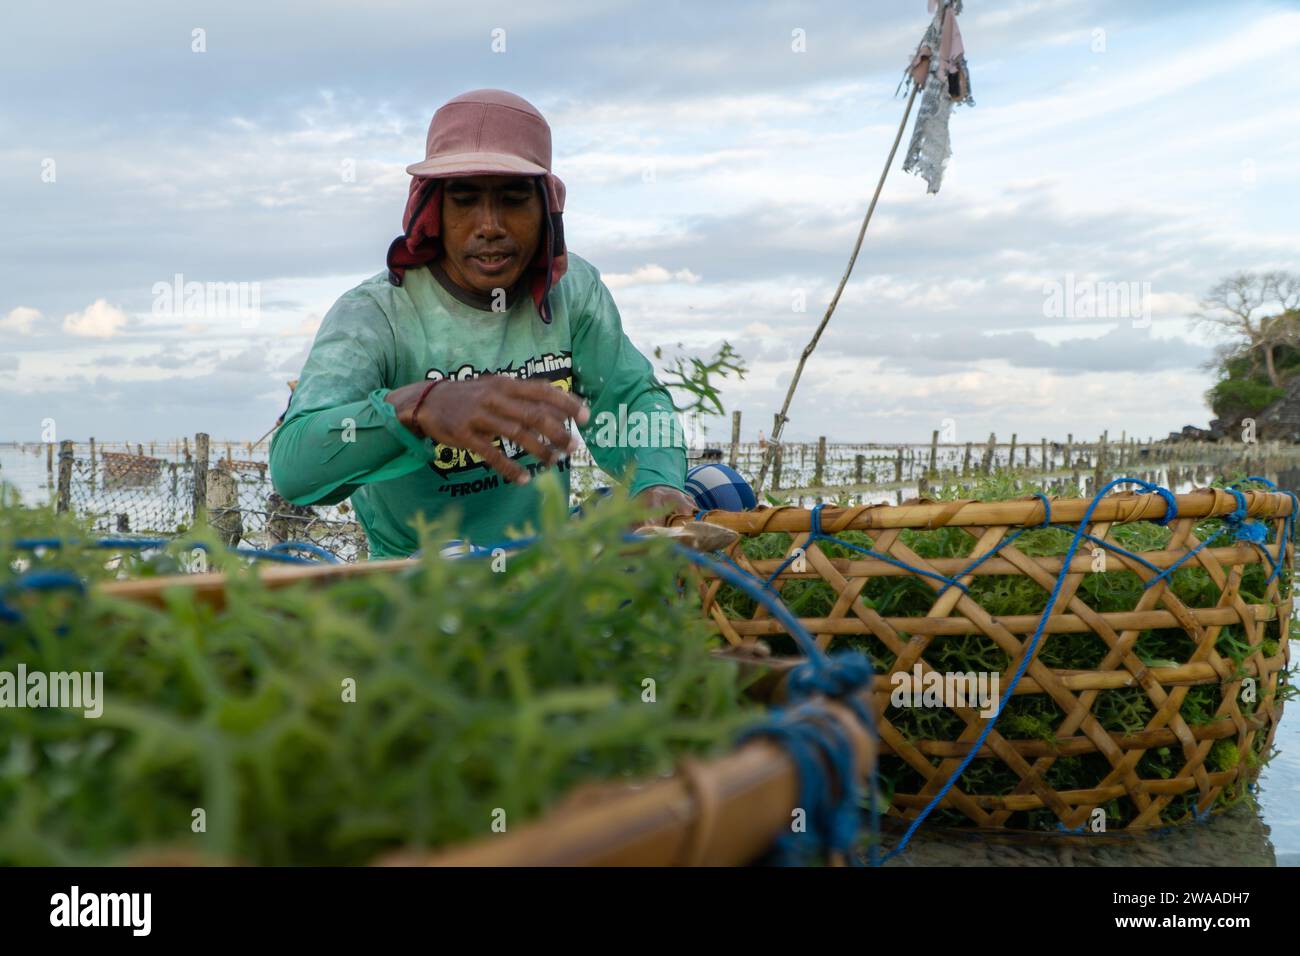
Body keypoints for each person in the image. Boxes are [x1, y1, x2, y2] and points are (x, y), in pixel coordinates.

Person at [269, 89, 694, 558]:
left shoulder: (573, 293)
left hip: (545, 573)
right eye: (465, 200)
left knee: (716, 492)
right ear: (433, 211)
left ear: (545, 210)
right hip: (414, 583)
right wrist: (417, 407)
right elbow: (296, 466)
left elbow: (629, 397)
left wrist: (656, 482)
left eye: (513, 200)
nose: (489, 224)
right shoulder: (375, 315)